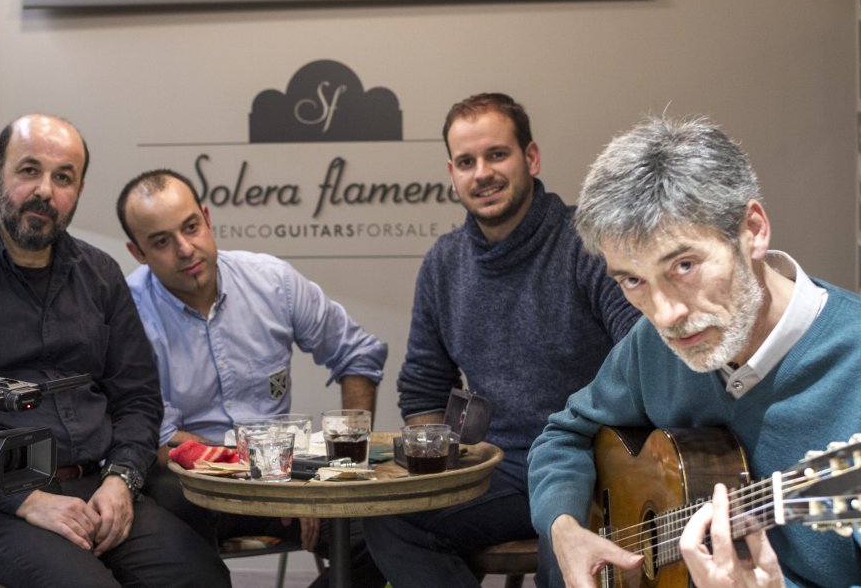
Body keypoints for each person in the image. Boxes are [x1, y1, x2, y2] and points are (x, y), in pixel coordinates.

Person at [528, 115, 861, 587]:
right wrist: (564, 528)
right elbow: (563, 437)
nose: (663, 315)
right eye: (632, 280)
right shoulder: (653, 347)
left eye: (683, 265)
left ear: (753, 230)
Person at [0, 115, 230, 587]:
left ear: (77, 190)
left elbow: (138, 399)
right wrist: (25, 500)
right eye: (29, 171)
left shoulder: (100, 275)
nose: (44, 191)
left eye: (63, 178)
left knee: (202, 579)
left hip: (96, 486)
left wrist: (122, 480)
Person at [362, 93, 640, 587]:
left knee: (568, 557)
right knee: (390, 520)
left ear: (530, 158)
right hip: (502, 469)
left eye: (496, 155)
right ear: (452, 173)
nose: (481, 173)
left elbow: (642, 357)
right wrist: (440, 469)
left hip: (594, 464)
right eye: (466, 162)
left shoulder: (589, 245)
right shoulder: (444, 264)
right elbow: (425, 387)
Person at [116, 168, 388, 588]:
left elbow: (358, 353)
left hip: (285, 479)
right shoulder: (128, 312)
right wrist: (270, 477)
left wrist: (345, 463)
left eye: (191, 227)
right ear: (138, 252)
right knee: (168, 514)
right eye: (162, 242)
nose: (186, 249)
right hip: (193, 486)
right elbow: (161, 441)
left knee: (390, 537)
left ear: (207, 218)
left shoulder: (271, 281)